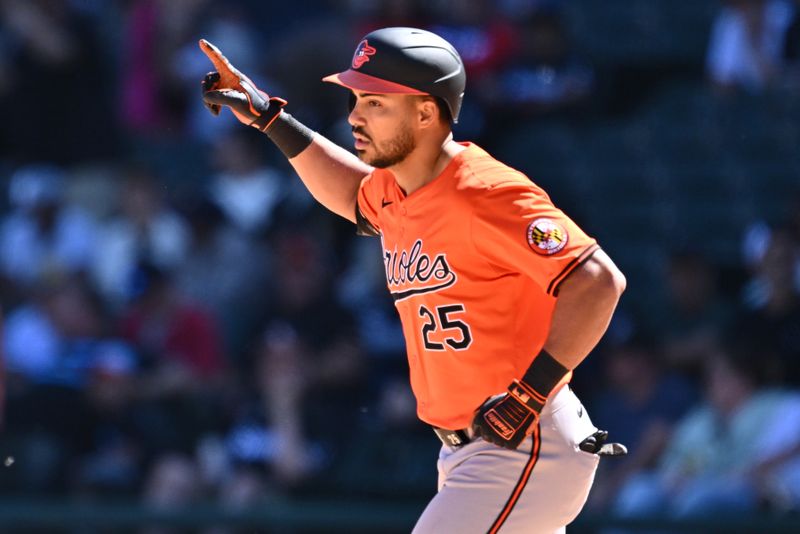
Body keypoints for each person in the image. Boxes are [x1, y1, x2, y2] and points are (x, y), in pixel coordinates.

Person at [199, 26, 627, 533]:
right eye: (356, 98)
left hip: (523, 443)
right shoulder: (397, 188)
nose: (355, 115)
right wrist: (271, 118)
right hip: (471, 452)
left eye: (375, 102)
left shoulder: (484, 191)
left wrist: (528, 395)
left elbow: (598, 281)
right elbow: (353, 196)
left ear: (426, 111)